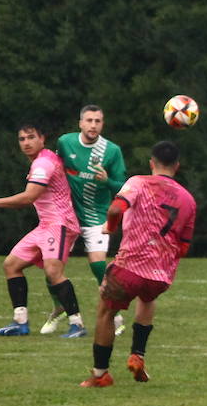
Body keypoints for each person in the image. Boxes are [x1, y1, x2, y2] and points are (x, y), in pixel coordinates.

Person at [80, 140, 197, 387]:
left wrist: (110, 228)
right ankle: (138, 354)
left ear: (151, 163)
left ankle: (101, 375)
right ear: (177, 166)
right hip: (160, 275)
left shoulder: (138, 182)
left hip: (129, 267)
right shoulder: (188, 200)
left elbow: (114, 210)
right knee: (147, 298)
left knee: (106, 311)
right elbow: (184, 247)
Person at [0, 123, 86, 337]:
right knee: (11, 265)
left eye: (31, 137)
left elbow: (29, 196)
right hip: (46, 226)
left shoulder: (43, 162)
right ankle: (20, 322)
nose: (26, 142)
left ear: (42, 139)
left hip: (60, 224)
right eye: (22, 139)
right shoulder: (42, 160)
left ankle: (77, 325)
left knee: (53, 272)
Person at [53, 105, 128, 337]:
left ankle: (115, 314)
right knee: (51, 265)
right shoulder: (65, 143)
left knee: (97, 264)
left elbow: (123, 187)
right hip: (68, 214)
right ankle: (62, 309)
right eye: (89, 120)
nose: (93, 125)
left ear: (102, 124)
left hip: (98, 215)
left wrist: (107, 181)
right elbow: (54, 169)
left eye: (98, 121)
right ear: (80, 123)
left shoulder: (112, 151)